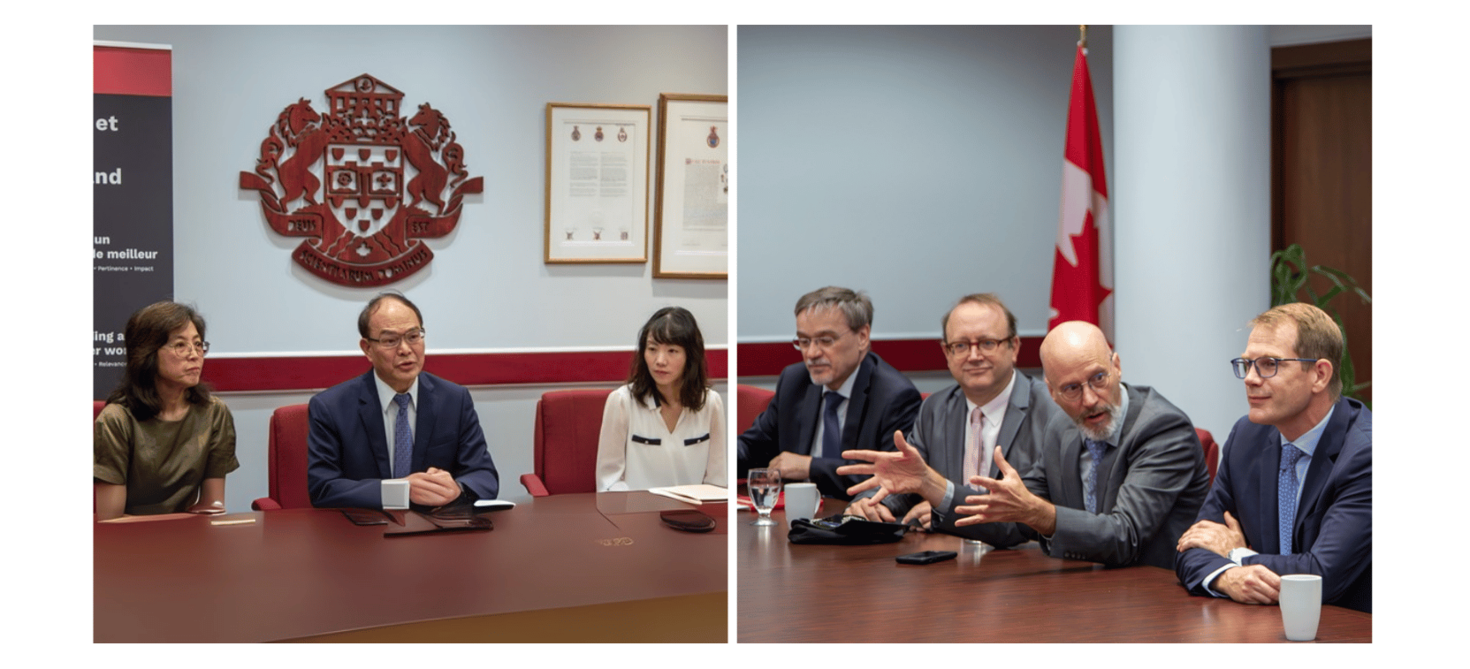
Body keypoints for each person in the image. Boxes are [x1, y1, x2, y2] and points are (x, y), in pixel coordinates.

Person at [843, 321, 1209, 569]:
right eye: (1071, 389)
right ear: (1052, 392)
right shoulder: (1062, 427)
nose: (1090, 399)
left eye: (1099, 378)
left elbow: (1124, 536)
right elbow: (1008, 518)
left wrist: (1039, 514)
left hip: (1154, 599)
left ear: (1117, 366)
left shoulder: (1162, 429)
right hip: (1082, 592)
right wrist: (929, 483)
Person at [1175, 303, 1371, 612]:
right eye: (1247, 364)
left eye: (1269, 364)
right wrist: (1228, 577)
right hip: (1261, 626)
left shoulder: (1366, 454)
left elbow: (1321, 575)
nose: (1250, 379)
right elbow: (1193, 544)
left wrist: (1235, 554)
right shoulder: (1247, 437)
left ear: (1319, 375)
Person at [845, 294, 1060, 547]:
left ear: (1014, 347)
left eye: (987, 343)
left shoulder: (1051, 410)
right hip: (948, 559)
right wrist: (871, 503)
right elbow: (909, 480)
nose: (974, 355)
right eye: (960, 345)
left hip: (1023, 560)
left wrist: (945, 511)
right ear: (946, 353)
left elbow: (1045, 510)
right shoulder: (934, 409)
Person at [307, 292, 499, 509]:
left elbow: (484, 475)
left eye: (413, 336)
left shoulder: (454, 399)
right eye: (390, 340)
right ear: (367, 349)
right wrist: (399, 491)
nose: (405, 350)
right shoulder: (331, 407)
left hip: (437, 524)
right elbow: (323, 488)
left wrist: (458, 489)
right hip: (367, 526)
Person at [737, 286, 921, 500]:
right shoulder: (794, 381)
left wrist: (810, 467)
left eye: (825, 340)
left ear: (862, 336)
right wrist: (714, 458)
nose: (812, 353)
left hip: (857, 514)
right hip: (796, 512)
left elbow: (893, 476)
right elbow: (752, 448)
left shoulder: (895, 396)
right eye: (804, 341)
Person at [94, 302, 239, 520]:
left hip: (189, 535)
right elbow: (110, 520)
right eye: (180, 345)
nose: (194, 355)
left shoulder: (214, 412)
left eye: (198, 344)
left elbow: (212, 506)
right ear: (147, 353)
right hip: (129, 538)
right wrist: (185, 521)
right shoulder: (116, 419)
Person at [596, 307, 726, 491]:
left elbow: (717, 481)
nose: (660, 360)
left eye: (672, 351)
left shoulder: (711, 403)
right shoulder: (622, 401)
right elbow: (608, 482)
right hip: (636, 508)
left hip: (695, 509)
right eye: (652, 349)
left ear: (690, 356)